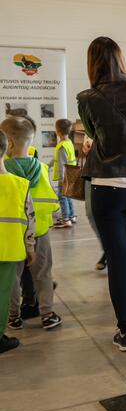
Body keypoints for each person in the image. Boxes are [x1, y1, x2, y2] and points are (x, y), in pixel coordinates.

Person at [77, 36, 126, 351]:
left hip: (107, 189)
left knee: (118, 262)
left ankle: (125, 334)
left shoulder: (87, 97)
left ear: (92, 63)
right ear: (121, 59)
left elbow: (93, 134)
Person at [1, 117, 62, 331]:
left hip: (14, 234)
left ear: (7, 142)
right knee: (43, 273)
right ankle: (47, 314)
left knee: (13, 278)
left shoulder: (4, 171)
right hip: (41, 232)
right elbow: (53, 202)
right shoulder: (43, 169)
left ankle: (14, 317)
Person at [0, 130, 36, 353]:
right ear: (5, 149)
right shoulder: (20, 185)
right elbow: (28, 218)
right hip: (9, 248)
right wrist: (30, 246)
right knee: (3, 293)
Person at [81, 136, 106, 270]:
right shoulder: (90, 116)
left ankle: (111, 251)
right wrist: (87, 145)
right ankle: (107, 249)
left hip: (119, 170)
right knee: (91, 213)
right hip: (94, 169)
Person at [52, 118, 77, 228]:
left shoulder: (62, 146)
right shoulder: (69, 142)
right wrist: (49, 165)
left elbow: (62, 164)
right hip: (71, 174)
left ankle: (65, 219)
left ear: (57, 131)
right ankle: (71, 216)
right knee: (68, 195)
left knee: (62, 196)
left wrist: (62, 180)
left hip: (64, 176)